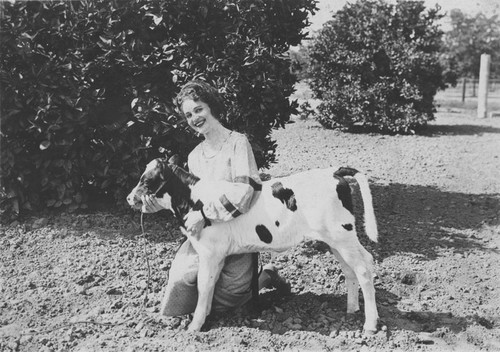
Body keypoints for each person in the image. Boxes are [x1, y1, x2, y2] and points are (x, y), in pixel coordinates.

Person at [141, 80, 289, 318]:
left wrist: (204, 213)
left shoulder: (238, 143)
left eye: (199, 109)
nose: (195, 118)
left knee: (226, 302)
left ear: (212, 107)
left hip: (239, 235)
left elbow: (245, 192)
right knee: (180, 285)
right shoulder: (194, 156)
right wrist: (155, 206)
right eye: (188, 115)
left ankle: (265, 276)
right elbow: (189, 204)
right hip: (206, 236)